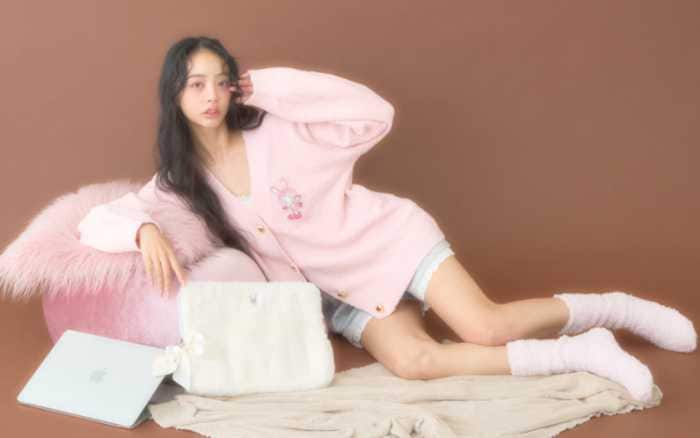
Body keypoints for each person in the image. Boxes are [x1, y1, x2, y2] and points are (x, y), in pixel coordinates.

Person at [77, 36, 696, 403]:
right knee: (413, 362)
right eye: (194, 85)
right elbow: (90, 222)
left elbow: (374, 113)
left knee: (484, 326)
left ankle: (615, 309)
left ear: (236, 86)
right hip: (339, 295)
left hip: (388, 243)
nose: (210, 96)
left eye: (220, 81)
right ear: (175, 95)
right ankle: (582, 353)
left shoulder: (279, 127)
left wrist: (268, 87)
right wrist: (143, 228)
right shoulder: (180, 184)